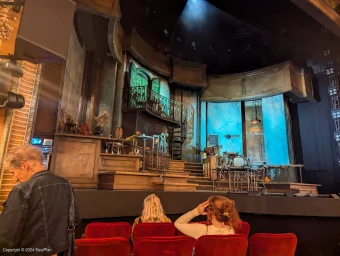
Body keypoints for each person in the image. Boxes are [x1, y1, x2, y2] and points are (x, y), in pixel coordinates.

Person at [0, 145, 81, 255]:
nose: (15, 179)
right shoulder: (65, 184)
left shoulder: (22, 190)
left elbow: (7, 236)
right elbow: (76, 219)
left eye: (13, 173)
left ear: (23, 165)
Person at [175, 196, 241, 239]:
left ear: (209, 212)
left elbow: (178, 223)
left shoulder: (202, 231)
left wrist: (196, 211)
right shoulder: (230, 230)